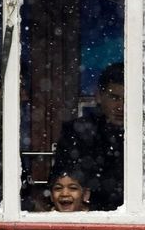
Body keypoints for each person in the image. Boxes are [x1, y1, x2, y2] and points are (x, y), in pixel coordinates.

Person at [51, 62, 124, 211]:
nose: (121, 106)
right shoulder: (77, 132)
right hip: (89, 217)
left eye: (126, 98)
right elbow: (62, 182)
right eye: (114, 98)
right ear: (99, 96)